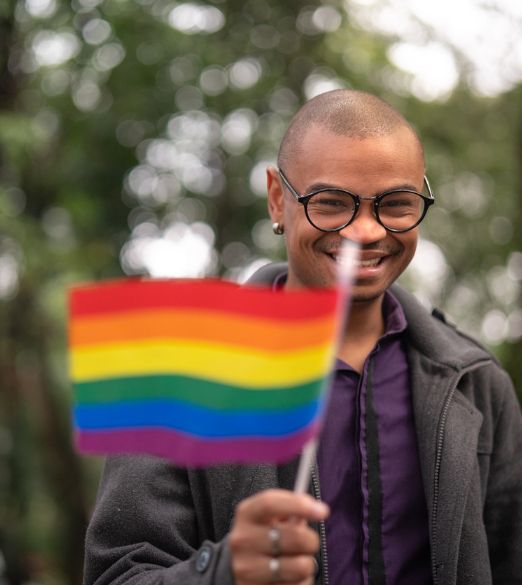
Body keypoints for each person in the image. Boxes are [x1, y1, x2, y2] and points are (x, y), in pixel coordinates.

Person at [83, 90, 522, 585]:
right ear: (277, 197)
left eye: (396, 204)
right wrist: (221, 574)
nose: (365, 231)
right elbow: (117, 576)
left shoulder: (477, 385)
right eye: (331, 204)